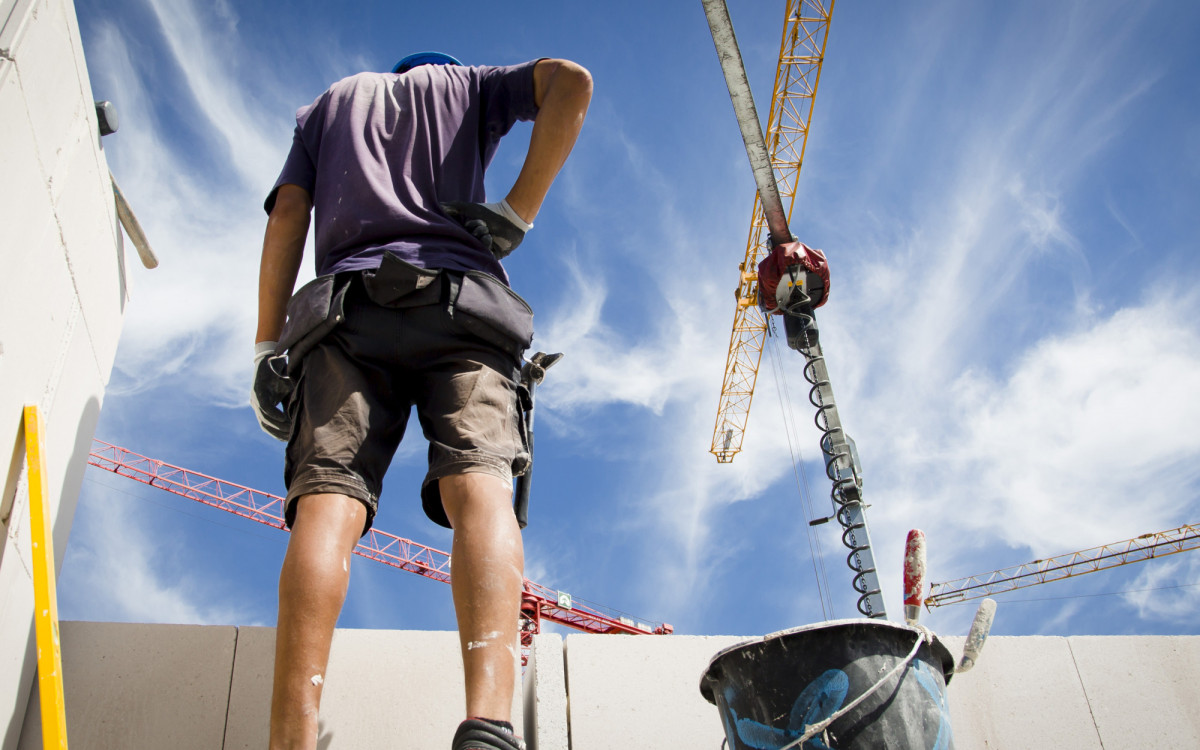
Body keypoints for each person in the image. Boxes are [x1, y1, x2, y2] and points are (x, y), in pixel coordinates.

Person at [251, 51, 592, 750]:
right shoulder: (469, 85)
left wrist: (266, 348)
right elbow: (573, 83)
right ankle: (488, 725)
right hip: (462, 311)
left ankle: (291, 734)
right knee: (481, 489)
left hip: (346, 320)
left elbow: (289, 213)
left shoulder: (330, 104)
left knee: (327, 500)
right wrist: (516, 212)